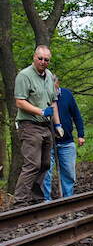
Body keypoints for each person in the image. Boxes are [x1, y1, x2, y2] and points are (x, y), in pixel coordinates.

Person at [14, 45, 64, 204]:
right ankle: (20, 201)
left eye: (46, 60)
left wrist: (58, 125)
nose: (43, 62)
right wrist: (40, 111)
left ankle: (37, 198)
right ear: (34, 57)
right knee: (32, 164)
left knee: (45, 164)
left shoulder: (49, 75)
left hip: (46, 126)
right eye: (40, 58)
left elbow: (53, 102)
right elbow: (20, 102)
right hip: (29, 125)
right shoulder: (24, 76)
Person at [43, 75, 85, 200]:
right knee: (46, 172)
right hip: (48, 141)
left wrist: (81, 134)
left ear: (57, 83)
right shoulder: (42, 96)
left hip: (66, 141)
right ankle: (46, 200)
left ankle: (68, 199)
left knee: (68, 173)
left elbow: (76, 115)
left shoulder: (67, 94)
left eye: (53, 87)